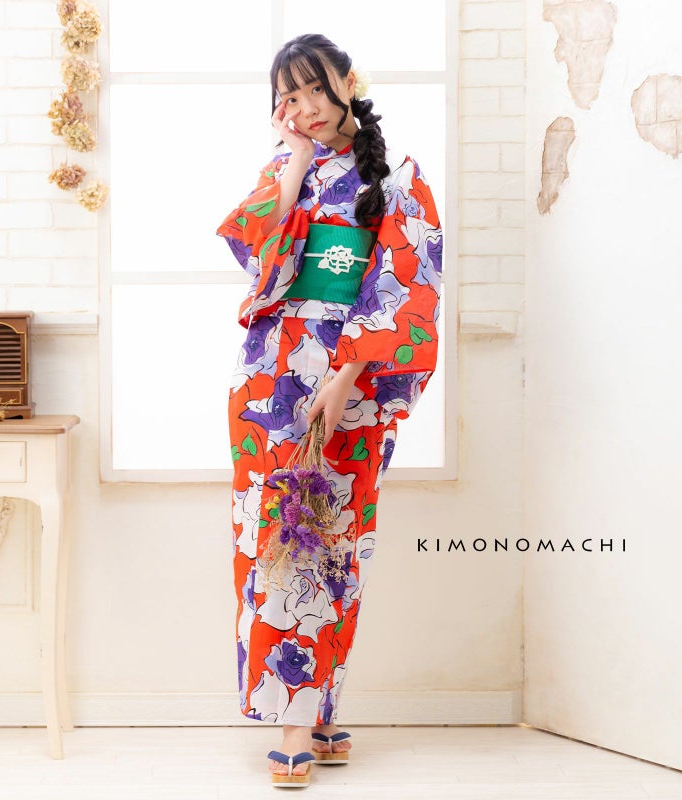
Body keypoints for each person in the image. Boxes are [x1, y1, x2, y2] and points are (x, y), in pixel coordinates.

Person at [216, 33, 443, 788]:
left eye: (316, 88)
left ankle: (312, 712)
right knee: (276, 536)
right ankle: (295, 720)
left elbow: (405, 288)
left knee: (335, 539)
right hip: (271, 381)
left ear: (348, 81)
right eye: (291, 95)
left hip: (353, 383)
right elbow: (256, 251)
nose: (306, 106)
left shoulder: (399, 180)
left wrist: (344, 380)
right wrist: (295, 158)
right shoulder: (287, 168)